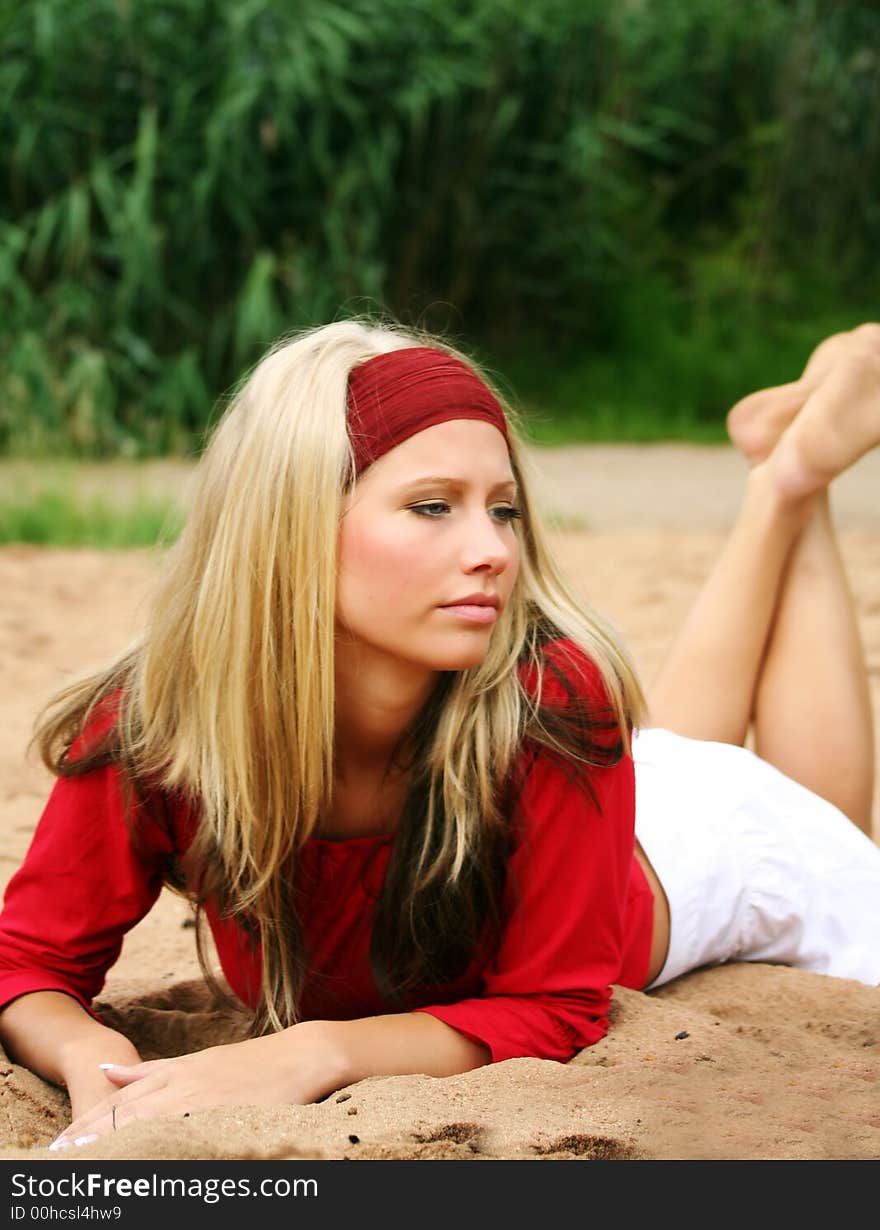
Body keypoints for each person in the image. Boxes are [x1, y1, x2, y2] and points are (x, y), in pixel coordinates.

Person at [0, 318, 878, 1154]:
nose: (494, 549)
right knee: (674, 752)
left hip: (713, 858)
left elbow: (557, 1007)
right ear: (291, 527)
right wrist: (91, 1064)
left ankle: (792, 481)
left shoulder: (553, 696)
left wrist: (315, 1052)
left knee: (813, 820)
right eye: (431, 507)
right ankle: (781, 471)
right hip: (611, 798)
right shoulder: (156, 721)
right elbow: (27, 960)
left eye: (503, 509)